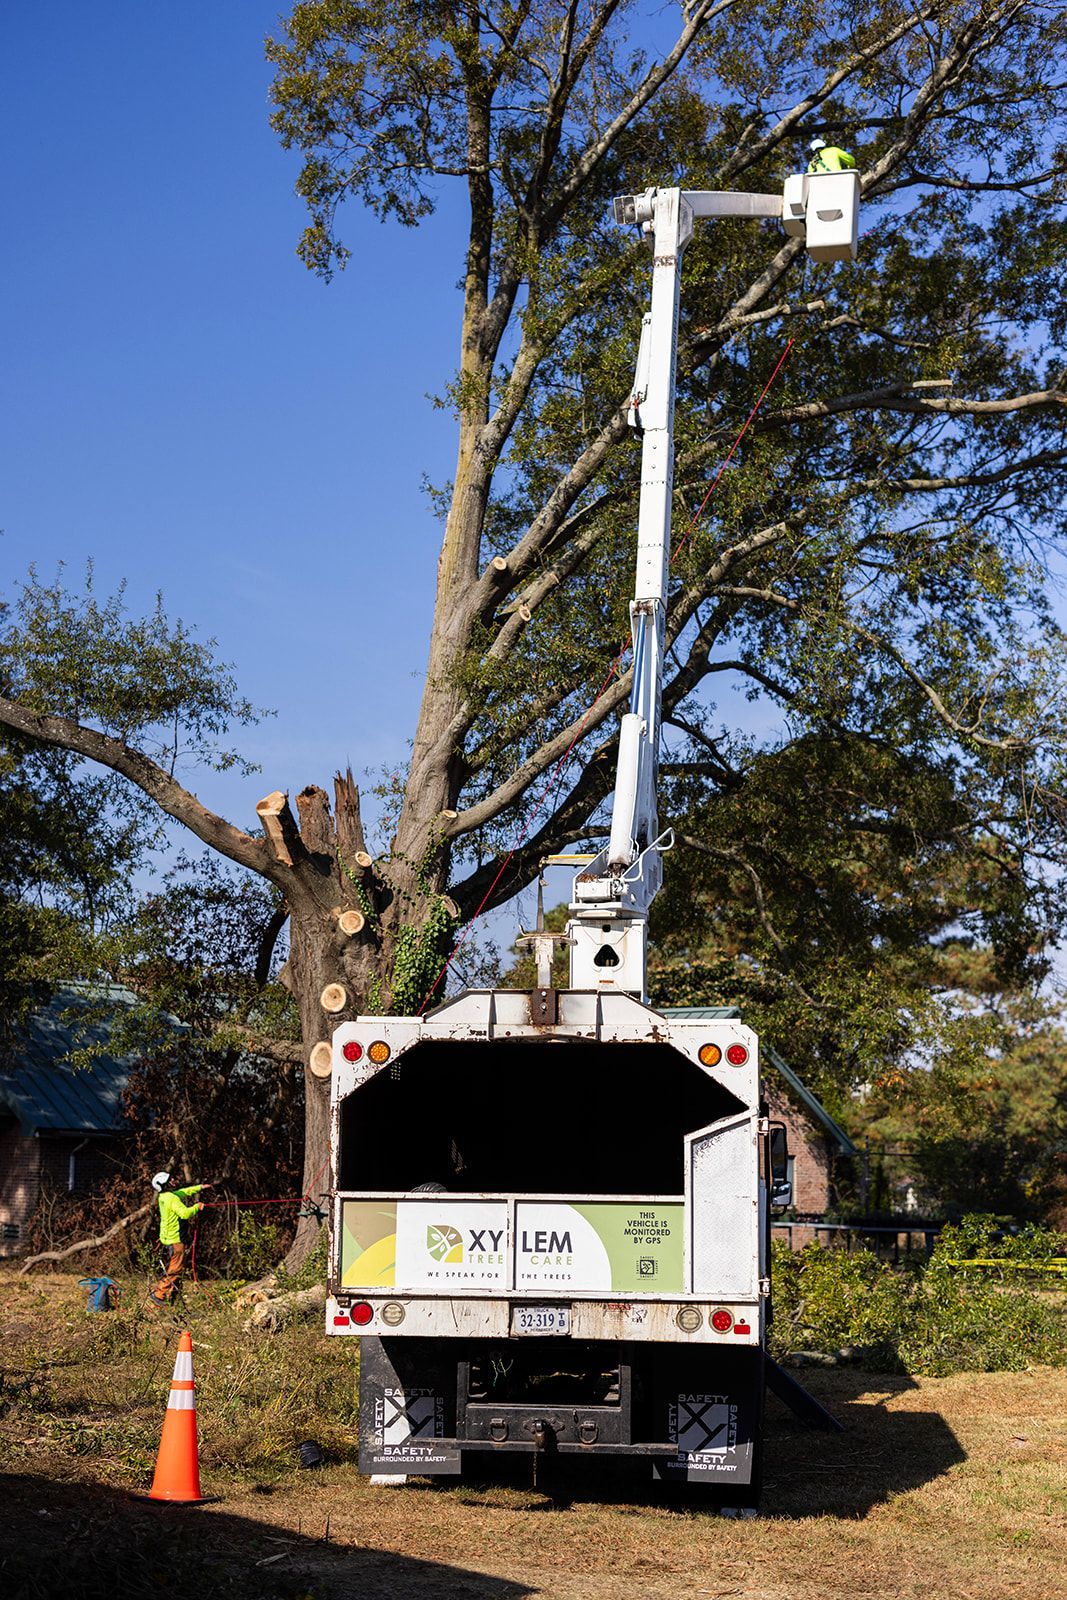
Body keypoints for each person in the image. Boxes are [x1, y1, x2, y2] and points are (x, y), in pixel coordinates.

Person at [148, 1171, 213, 1305]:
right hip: (175, 1240)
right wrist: (197, 1207)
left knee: (174, 1268)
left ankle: (172, 1298)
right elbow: (184, 1213)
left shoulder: (164, 1196)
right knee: (175, 1269)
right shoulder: (172, 1198)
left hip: (167, 1238)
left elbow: (184, 1191)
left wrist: (199, 1187)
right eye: (169, 1180)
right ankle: (158, 1296)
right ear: (164, 1185)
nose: (173, 1180)